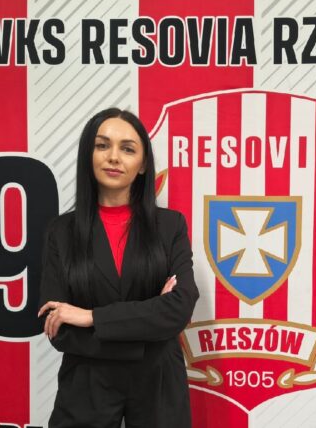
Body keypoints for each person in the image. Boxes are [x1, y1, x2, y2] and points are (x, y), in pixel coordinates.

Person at [37, 108, 199, 428]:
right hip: (86, 387)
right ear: (88, 155)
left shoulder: (170, 226)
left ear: (143, 165)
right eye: (102, 145)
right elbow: (56, 325)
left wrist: (91, 317)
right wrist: (149, 324)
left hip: (158, 385)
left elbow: (180, 306)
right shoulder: (61, 232)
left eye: (127, 149)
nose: (113, 157)